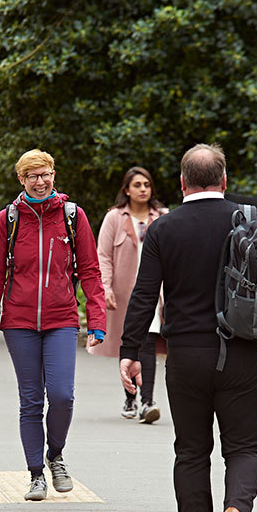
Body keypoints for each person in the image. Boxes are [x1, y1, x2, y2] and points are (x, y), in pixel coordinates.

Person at [120, 144, 257, 512]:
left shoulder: (163, 229)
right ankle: (236, 509)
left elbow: (144, 295)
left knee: (191, 450)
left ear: (182, 183)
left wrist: (131, 352)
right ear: (224, 180)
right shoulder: (250, 221)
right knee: (244, 447)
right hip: (240, 351)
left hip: (186, 355)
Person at [0, 149, 106, 501]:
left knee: (62, 396)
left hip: (61, 318)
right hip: (18, 322)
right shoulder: (7, 220)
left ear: (53, 176)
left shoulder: (71, 216)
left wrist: (96, 319)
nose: (40, 181)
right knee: (31, 400)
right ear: (22, 180)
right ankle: (36, 474)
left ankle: (55, 455)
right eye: (32, 176)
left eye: (45, 174)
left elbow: (90, 271)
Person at [93, 166, 167, 423]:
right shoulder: (114, 218)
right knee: (129, 343)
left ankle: (147, 401)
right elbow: (103, 256)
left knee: (148, 341)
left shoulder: (162, 217)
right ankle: (130, 397)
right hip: (124, 293)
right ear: (126, 190)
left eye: (147, 185)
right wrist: (106, 288)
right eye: (137, 185)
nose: (143, 189)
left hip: (154, 292)